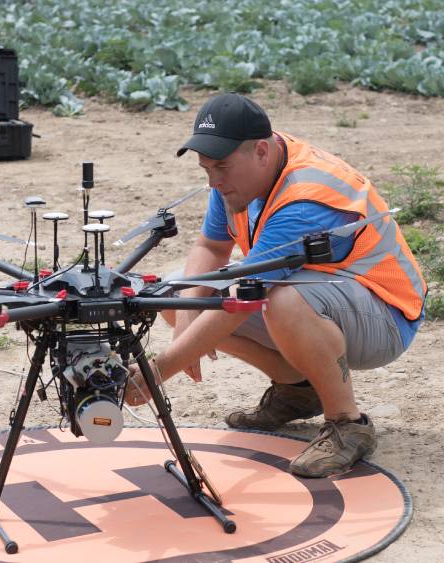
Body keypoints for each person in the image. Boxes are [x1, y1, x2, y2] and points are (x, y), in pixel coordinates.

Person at [125, 93, 427, 478]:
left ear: (261, 152)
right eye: (206, 168)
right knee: (176, 295)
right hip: (329, 300)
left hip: (385, 316)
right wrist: (184, 325)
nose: (214, 181)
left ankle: (348, 425)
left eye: (220, 167)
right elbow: (211, 247)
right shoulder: (240, 176)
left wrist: (160, 370)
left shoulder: (304, 198)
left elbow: (244, 294)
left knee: (282, 300)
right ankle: (299, 390)